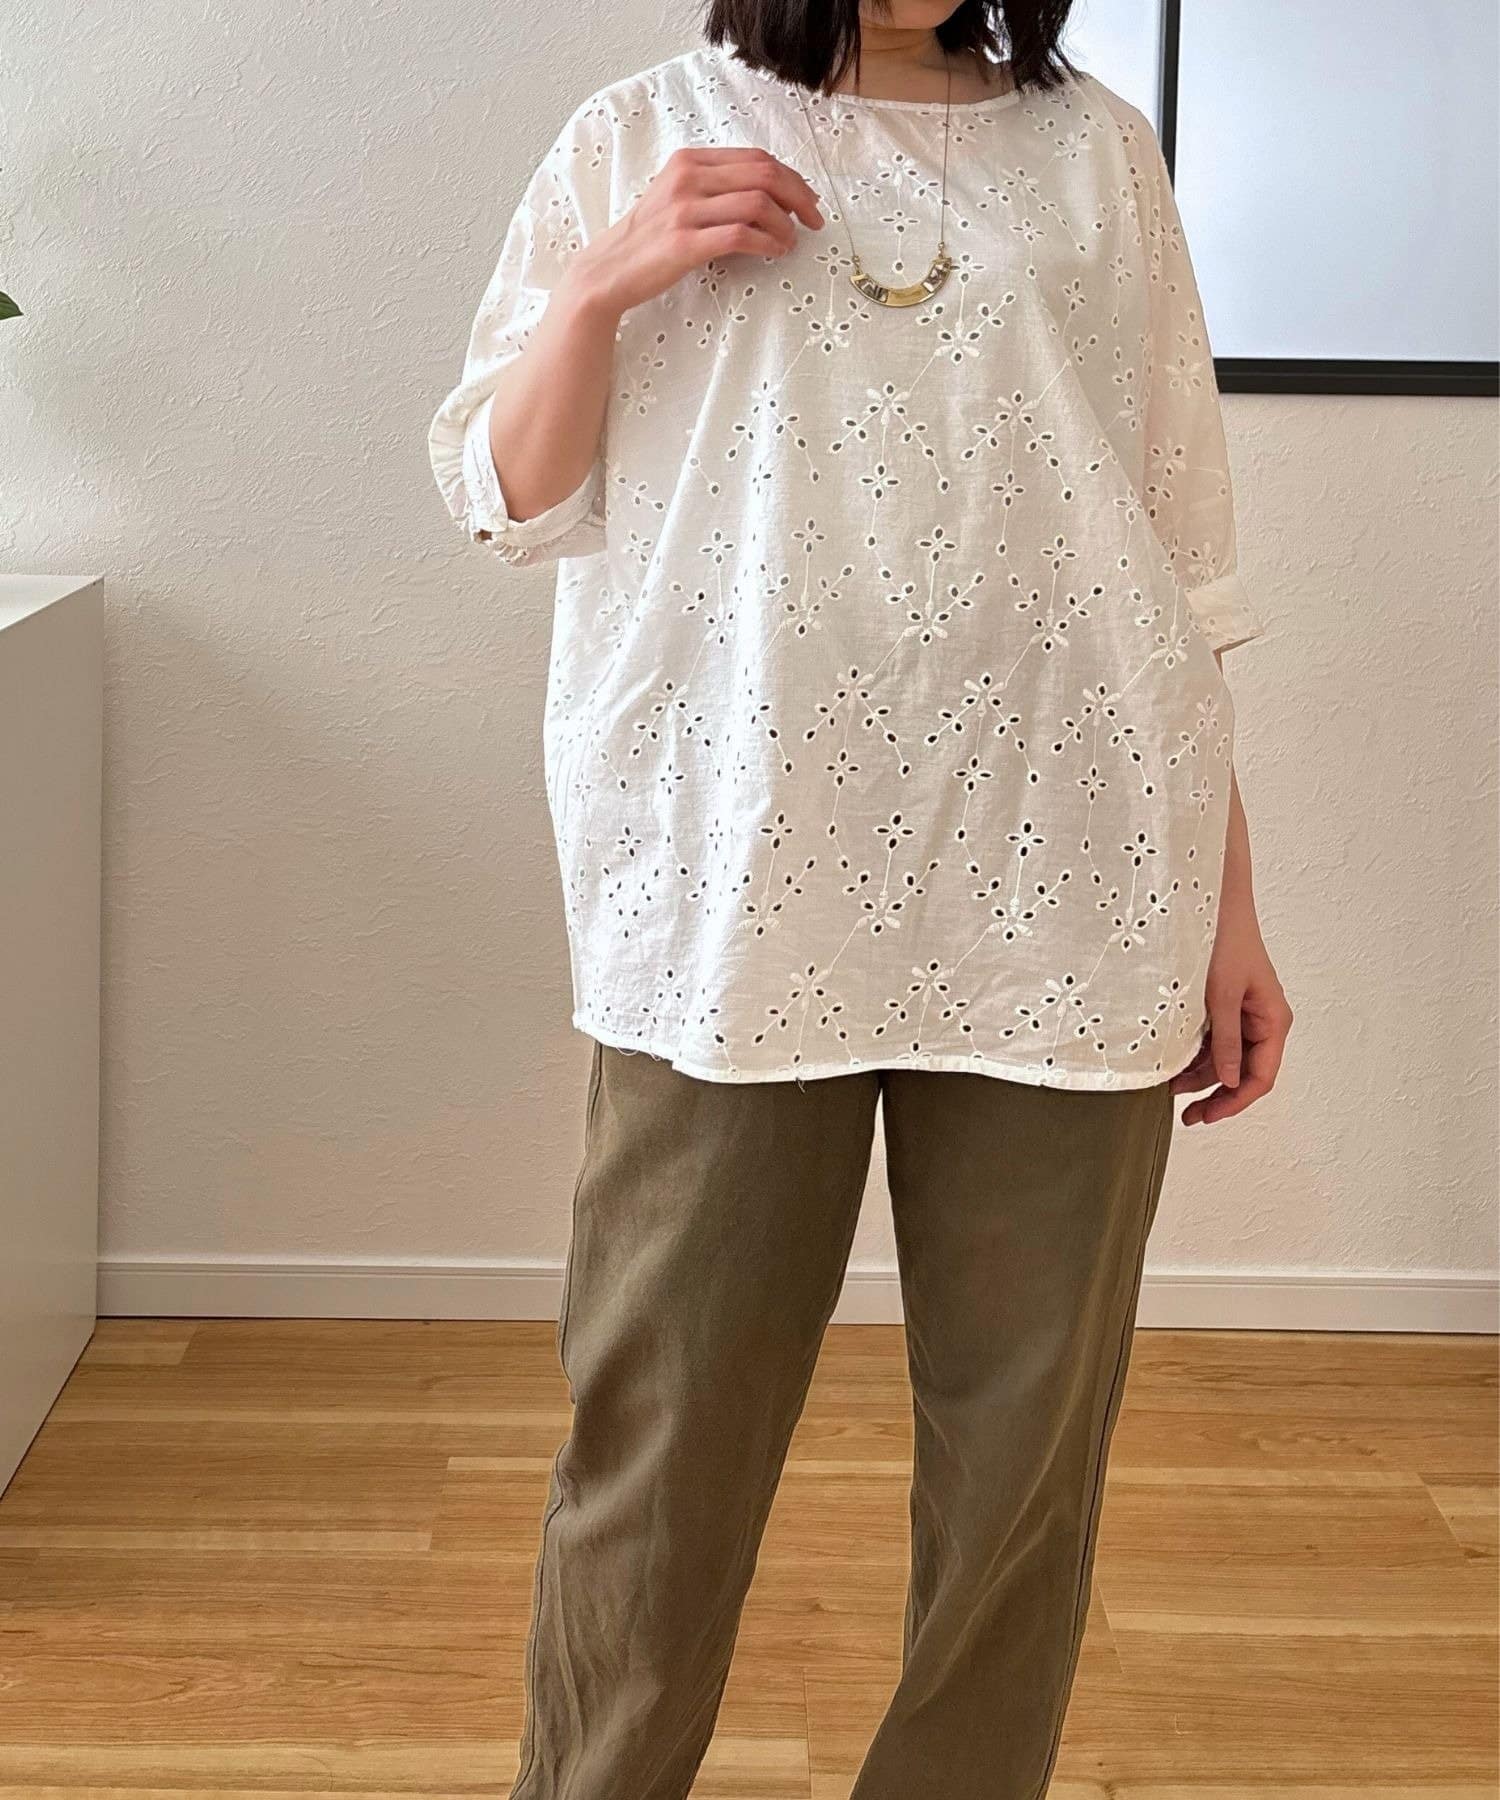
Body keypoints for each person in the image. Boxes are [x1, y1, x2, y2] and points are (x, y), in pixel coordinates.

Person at [427, 3, 1294, 1794]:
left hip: (1075, 871)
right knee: (661, 1439)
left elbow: (1172, 553)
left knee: (1025, 1464)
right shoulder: (646, 129)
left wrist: (1228, 899)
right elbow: (506, 498)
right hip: (734, 885)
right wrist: (605, 281)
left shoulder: (1101, 153)